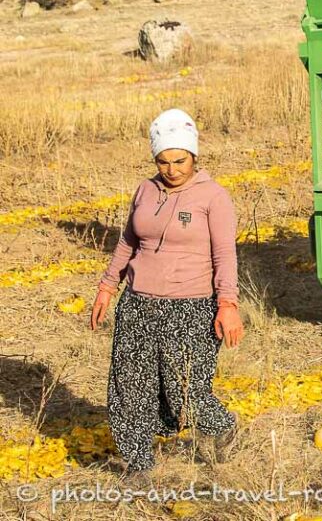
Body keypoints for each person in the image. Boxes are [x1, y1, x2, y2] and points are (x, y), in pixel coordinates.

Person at [90, 108, 244, 480]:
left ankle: (221, 426)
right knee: (130, 385)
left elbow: (224, 255)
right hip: (138, 303)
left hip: (190, 307)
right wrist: (107, 287)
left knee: (184, 389)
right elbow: (128, 240)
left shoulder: (214, 197)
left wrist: (227, 304)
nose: (172, 169)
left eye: (180, 160)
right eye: (163, 161)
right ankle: (138, 465)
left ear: (194, 156)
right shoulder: (145, 190)